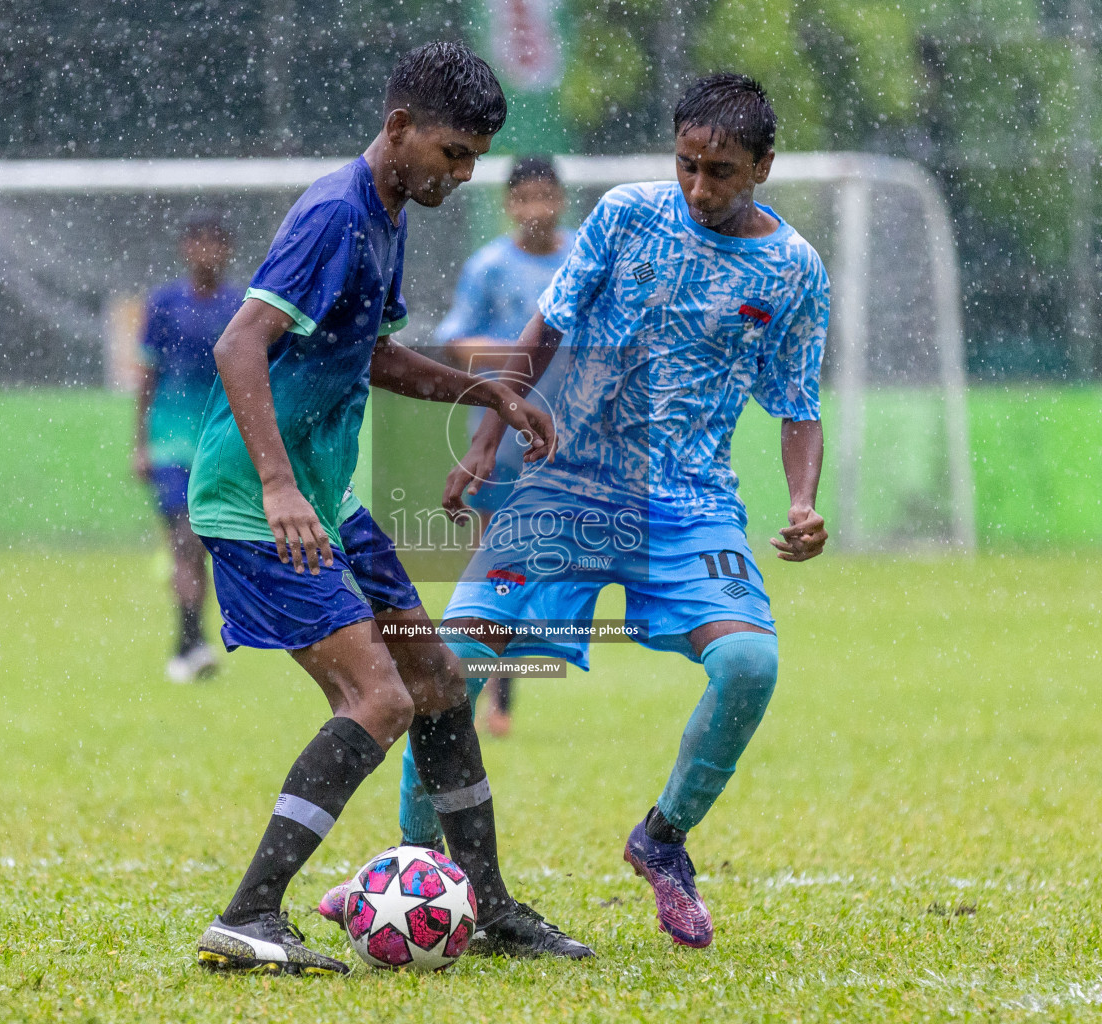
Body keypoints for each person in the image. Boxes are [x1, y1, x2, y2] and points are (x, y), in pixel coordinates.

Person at [367, 72, 830, 950]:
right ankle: (414, 867)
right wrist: (484, 439)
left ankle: (663, 839)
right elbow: (545, 328)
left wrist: (803, 502)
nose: (699, 188)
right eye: (688, 164)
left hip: (689, 505)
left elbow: (799, 404)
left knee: (749, 668)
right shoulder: (626, 215)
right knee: (447, 664)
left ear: (765, 167)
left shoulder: (796, 272)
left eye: (722, 172)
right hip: (565, 483)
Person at [187, 41, 593, 976]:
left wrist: (483, 392)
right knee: (378, 697)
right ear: (401, 127)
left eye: (475, 161)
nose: (464, 175)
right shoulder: (335, 213)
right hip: (263, 502)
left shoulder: (390, 209)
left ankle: (488, 908)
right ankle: (249, 914)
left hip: (325, 496)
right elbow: (241, 348)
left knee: (439, 683)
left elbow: (367, 354)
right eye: (454, 154)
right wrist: (282, 488)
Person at [433, 154, 574, 738]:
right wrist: (520, 359)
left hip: (576, 437)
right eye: (525, 199)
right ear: (509, 205)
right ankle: (500, 697)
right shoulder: (489, 267)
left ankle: (515, 669)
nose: (536, 210)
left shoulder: (581, 259)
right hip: (504, 436)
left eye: (546, 197)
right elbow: (455, 344)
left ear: (561, 200)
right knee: (502, 565)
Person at [133, 212, 243, 684]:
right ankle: (191, 641)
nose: (207, 253)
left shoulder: (240, 305)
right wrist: (139, 443)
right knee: (185, 539)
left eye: (215, 244)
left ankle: (188, 642)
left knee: (208, 546)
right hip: (170, 442)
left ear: (228, 250)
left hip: (218, 442)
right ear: (184, 249)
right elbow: (147, 375)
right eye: (198, 243)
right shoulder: (163, 305)